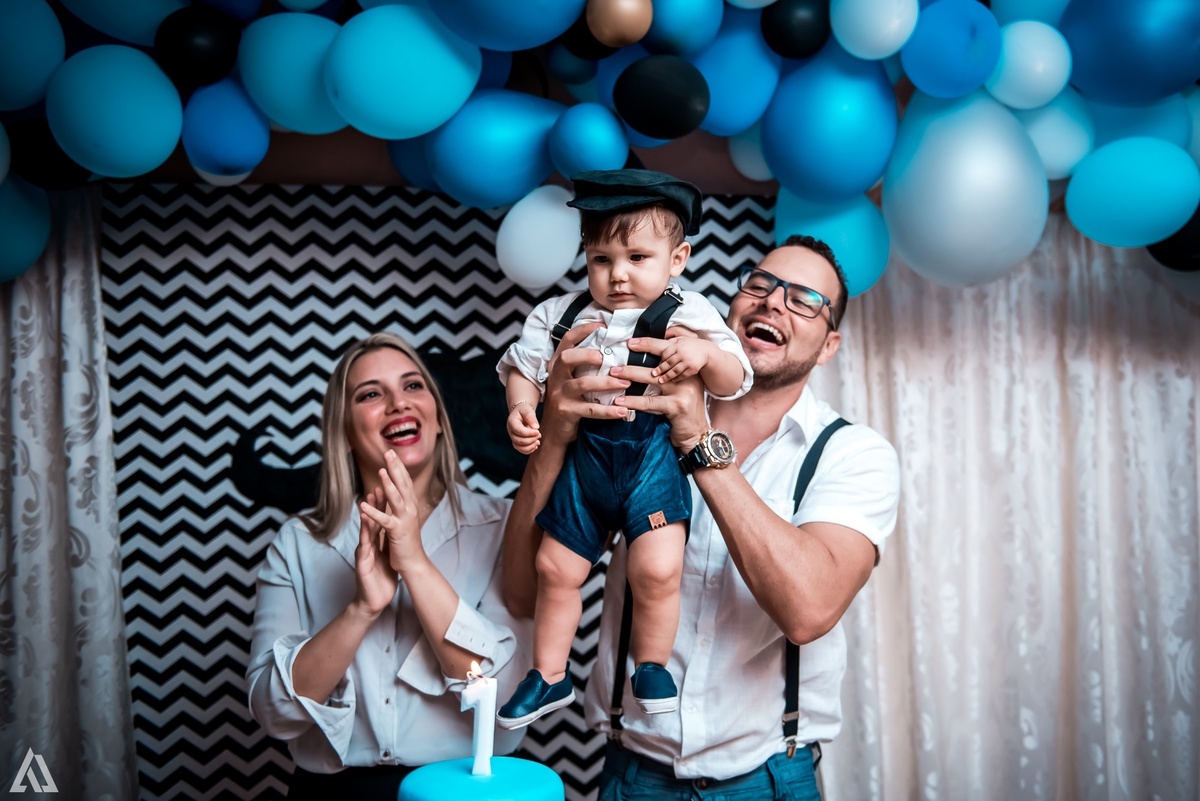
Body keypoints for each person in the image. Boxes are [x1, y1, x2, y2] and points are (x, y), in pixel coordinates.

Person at [501, 235, 900, 800]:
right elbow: (519, 592)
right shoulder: (629, 406)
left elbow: (809, 611)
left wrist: (696, 437)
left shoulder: (852, 454)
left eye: (804, 299)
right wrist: (555, 437)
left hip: (768, 781)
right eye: (760, 285)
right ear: (730, 307)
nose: (772, 303)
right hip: (630, 775)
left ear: (829, 343)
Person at [494, 169, 753, 730]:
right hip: (585, 459)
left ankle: (652, 665)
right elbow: (521, 367)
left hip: (651, 457)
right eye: (601, 260)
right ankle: (549, 674)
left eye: (638, 258)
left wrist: (705, 358)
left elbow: (735, 377)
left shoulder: (690, 313)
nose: (617, 276)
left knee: (657, 569)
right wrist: (522, 406)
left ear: (677, 259)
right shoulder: (560, 316)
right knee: (554, 566)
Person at [246, 332, 531, 800]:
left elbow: (505, 697)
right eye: (371, 394)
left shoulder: (505, 528)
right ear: (342, 430)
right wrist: (361, 607)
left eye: (414, 386)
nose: (399, 403)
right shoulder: (297, 544)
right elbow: (274, 712)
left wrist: (414, 564)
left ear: (439, 420)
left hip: (469, 789)